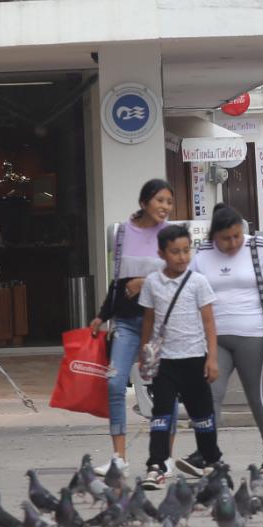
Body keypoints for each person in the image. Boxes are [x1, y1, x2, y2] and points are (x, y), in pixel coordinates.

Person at [191, 203, 263, 475]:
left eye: (237, 235)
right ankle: (207, 453)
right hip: (215, 337)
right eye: (226, 238)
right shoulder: (202, 254)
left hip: (252, 333)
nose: (232, 243)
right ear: (214, 235)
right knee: (211, 394)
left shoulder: (258, 246)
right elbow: (188, 284)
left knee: (256, 394)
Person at [88, 179, 175, 475]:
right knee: (114, 383)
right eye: (159, 200)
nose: (165, 207)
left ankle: (165, 457)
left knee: (164, 389)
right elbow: (118, 279)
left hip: (160, 324)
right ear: (144, 202)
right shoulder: (123, 232)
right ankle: (119, 457)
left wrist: (144, 282)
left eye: (168, 202)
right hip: (125, 322)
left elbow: (179, 277)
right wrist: (102, 315)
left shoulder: (171, 235)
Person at [139, 224, 225, 489]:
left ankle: (212, 461)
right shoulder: (152, 283)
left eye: (186, 251)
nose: (182, 257)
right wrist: (144, 354)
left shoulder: (198, 282)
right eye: (175, 252)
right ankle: (157, 465)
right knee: (162, 415)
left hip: (195, 359)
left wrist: (212, 358)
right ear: (161, 253)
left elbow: (210, 323)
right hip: (165, 363)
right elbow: (148, 322)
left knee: (202, 415)